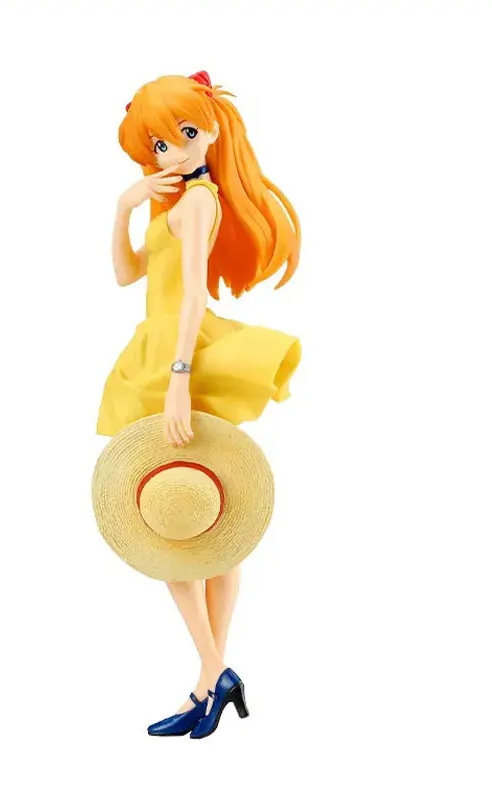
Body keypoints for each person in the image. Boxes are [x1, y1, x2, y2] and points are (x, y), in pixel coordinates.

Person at [97, 71, 302, 738]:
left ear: (212, 129)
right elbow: (128, 274)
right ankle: (211, 679)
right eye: (159, 144)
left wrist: (180, 376)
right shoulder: (173, 201)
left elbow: (190, 295)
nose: (173, 152)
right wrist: (125, 208)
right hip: (159, 345)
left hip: (177, 352)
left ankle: (213, 673)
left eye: (185, 134)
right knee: (203, 521)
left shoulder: (199, 202)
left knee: (174, 516)